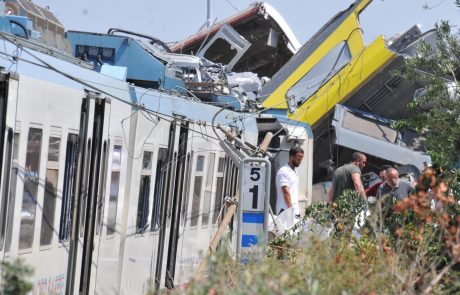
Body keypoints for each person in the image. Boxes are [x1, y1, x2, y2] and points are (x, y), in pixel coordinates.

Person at [276, 146, 304, 219]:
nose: (300, 161)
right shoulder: (284, 171)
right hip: (285, 210)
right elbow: (285, 191)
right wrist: (290, 210)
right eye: (298, 159)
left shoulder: (294, 171)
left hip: (295, 211)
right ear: (291, 157)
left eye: (301, 159)